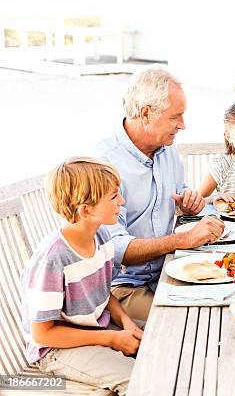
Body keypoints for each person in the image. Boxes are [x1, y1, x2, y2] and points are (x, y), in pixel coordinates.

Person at [96, 66, 225, 321]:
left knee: (227, 299)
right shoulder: (104, 164)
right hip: (123, 289)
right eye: (176, 117)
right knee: (194, 321)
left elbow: (178, 193)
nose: (183, 125)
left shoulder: (167, 150)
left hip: (170, 271)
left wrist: (190, 203)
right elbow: (114, 247)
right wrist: (181, 240)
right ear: (146, 114)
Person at [21, 157, 143, 395]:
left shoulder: (102, 236)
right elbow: (42, 333)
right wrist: (112, 340)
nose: (122, 201)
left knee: (166, 344)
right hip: (56, 350)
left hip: (99, 328)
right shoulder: (53, 259)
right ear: (86, 210)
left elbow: (102, 293)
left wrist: (126, 322)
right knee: (141, 381)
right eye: (113, 196)